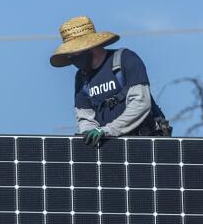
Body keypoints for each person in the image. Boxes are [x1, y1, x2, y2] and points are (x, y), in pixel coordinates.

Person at [50, 16, 170, 146]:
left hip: (144, 143)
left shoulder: (125, 59)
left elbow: (141, 103)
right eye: (69, 55)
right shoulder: (82, 78)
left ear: (89, 47)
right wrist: (88, 133)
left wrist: (109, 130)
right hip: (110, 146)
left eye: (74, 54)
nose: (71, 59)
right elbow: (85, 116)